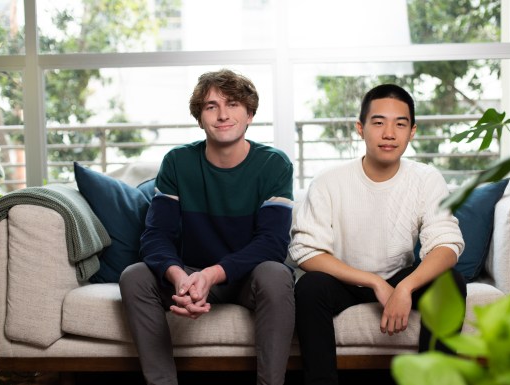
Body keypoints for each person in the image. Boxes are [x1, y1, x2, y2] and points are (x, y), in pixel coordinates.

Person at [119, 69, 295, 385]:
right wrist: (180, 278)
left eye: (233, 104)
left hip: (244, 278)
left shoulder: (274, 164)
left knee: (276, 273)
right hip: (190, 272)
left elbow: (271, 243)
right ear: (200, 118)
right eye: (211, 106)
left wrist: (211, 274)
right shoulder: (177, 162)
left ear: (250, 113)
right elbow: (156, 235)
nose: (223, 114)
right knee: (134, 276)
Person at [288, 84, 466, 385]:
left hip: (399, 275)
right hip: (344, 279)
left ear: (412, 131)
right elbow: (305, 250)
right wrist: (373, 282)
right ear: (361, 128)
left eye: (400, 124)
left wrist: (405, 288)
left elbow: (447, 245)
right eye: (378, 122)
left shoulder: (426, 178)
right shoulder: (329, 181)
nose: (389, 133)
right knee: (309, 287)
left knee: (450, 282)